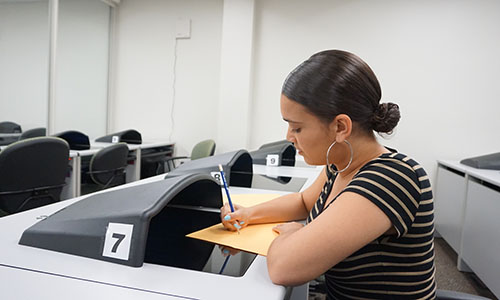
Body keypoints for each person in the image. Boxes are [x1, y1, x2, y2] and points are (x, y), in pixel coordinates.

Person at [220, 50, 436, 299]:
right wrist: (248, 214)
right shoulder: (340, 165)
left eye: (297, 127)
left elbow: (284, 268)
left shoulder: (391, 178)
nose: (289, 137)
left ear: (340, 127)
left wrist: (295, 234)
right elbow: (303, 202)